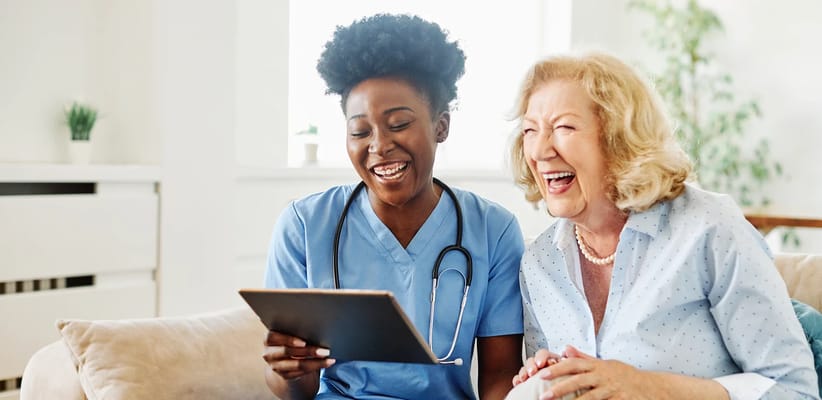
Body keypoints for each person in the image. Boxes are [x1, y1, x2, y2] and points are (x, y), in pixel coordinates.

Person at [504, 52, 820, 399]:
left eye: (563, 127)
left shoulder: (708, 228)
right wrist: (551, 377)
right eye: (530, 131)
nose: (540, 150)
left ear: (618, 138)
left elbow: (795, 390)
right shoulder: (539, 263)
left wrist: (647, 385)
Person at [262, 13, 525, 400]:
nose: (379, 145)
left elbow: (501, 377)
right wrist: (288, 372)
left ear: (441, 125)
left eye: (399, 124)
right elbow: (293, 392)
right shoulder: (304, 225)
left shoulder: (493, 230)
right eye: (360, 131)